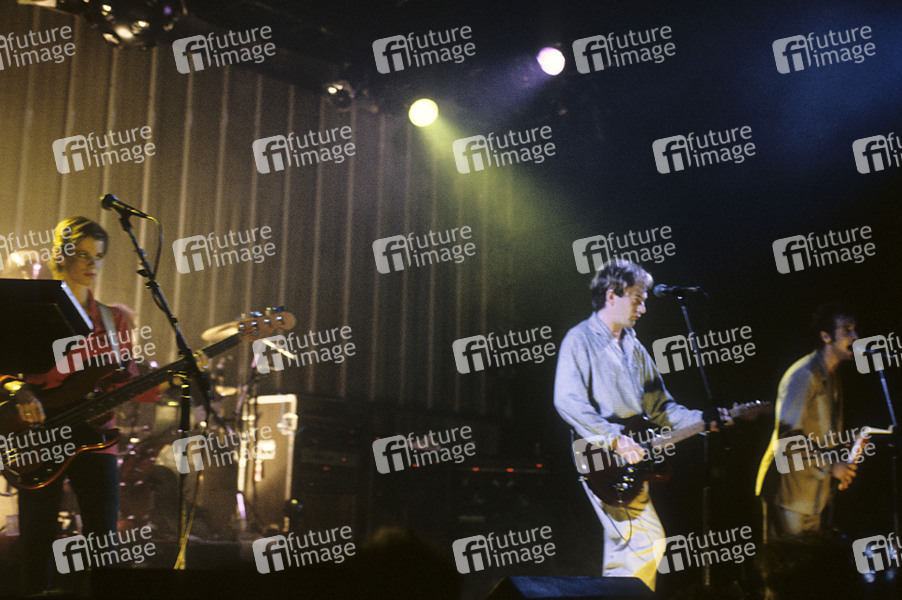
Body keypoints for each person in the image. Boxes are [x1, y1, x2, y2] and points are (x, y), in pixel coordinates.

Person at [0, 216, 160, 594]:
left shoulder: (113, 319)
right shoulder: (29, 308)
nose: (93, 264)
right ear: (61, 254)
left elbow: (128, 382)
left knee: (103, 541)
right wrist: (19, 390)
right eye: (84, 255)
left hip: (97, 436)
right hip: (38, 434)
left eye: (99, 256)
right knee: (37, 539)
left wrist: (170, 380)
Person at [553, 258, 728, 591]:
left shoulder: (634, 347)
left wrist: (702, 420)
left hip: (634, 459)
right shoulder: (579, 339)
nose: (643, 308)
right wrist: (614, 439)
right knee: (645, 541)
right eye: (637, 299)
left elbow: (661, 408)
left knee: (627, 550)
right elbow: (567, 400)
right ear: (611, 295)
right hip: (602, 458)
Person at [755, 303, 859, 540]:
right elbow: (788, 439)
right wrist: (832, 465)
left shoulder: (831, 374)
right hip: (790, 494)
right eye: (847, 330)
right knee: (789, 560)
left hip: (813, 495)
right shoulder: (803, 375)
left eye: (854, 329)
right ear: (826, 336)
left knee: (807, 561)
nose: (855, 336)